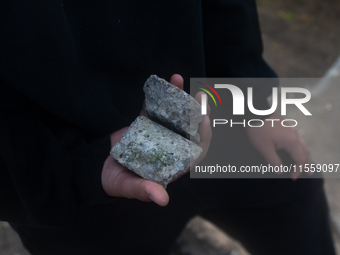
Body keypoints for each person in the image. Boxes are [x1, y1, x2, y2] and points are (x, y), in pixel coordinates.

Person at [0, 0, 335, 254]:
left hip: (213, 111)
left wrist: (256, 98)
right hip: (66, 176)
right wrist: (66, 172)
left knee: (296, 188)